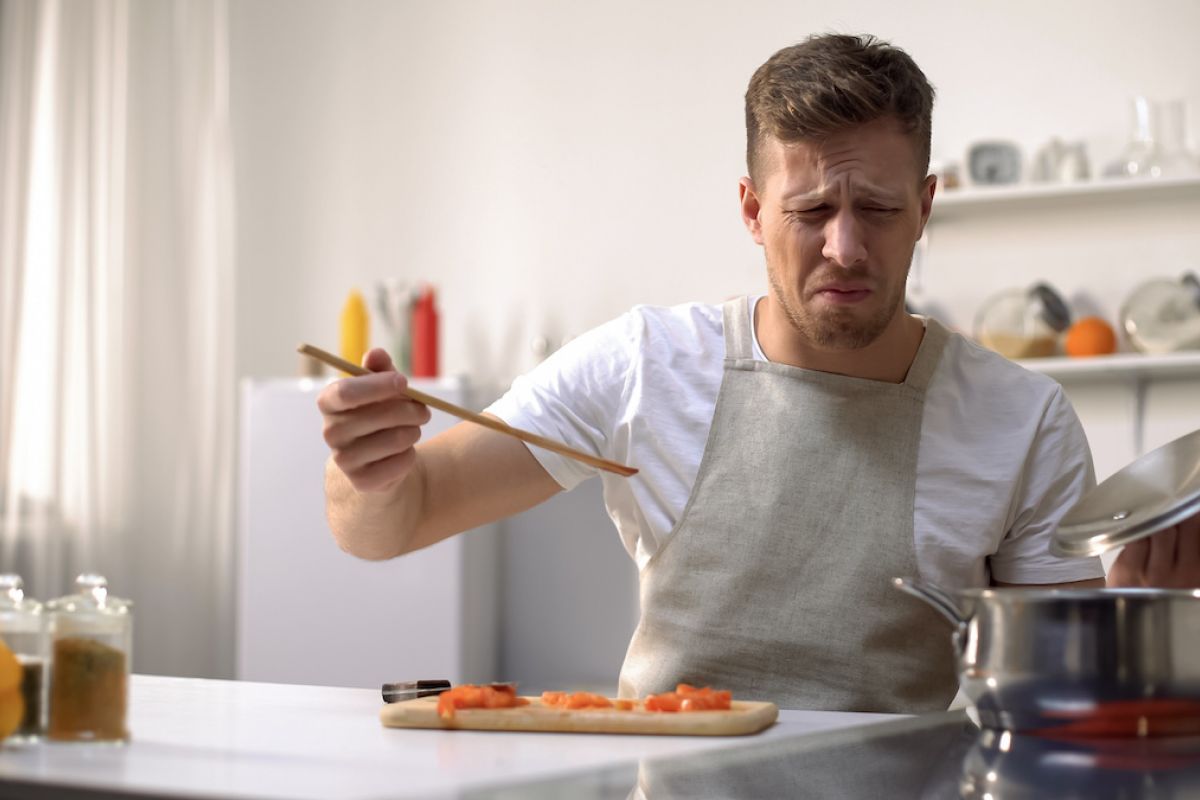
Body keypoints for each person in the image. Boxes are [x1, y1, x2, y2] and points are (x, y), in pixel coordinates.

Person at [318, 33, 1200, 712]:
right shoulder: (645, 365)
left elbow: (1054, 709)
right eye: (810, 209)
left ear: (926, 207)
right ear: (751, 209)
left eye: (881, 210)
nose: (845, 247)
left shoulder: (1022, 419)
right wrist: (369, 472)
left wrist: (1143, 623)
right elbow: (391, 525)